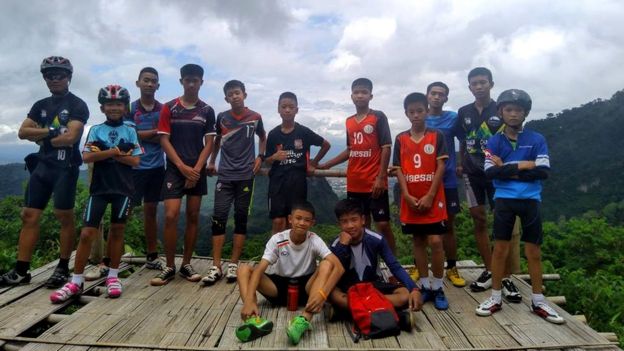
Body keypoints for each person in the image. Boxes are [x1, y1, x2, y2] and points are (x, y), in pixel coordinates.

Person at [475, 89, 564, 324]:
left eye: (518, 110)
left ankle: (538, 300)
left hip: (531, 200)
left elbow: (543, 172)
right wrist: (524, 165)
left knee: (533, 251)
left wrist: (506, 168)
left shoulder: (536, 139)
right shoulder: (493, 141)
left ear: (525, 113)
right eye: (509, 110)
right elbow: (489, 172)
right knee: (500, 249)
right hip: (504, 200)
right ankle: (495, 297)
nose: (513, 114)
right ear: (501, 112)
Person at [0, 56, 89, 289]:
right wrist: (52, 131)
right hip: (42, 167)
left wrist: (40, 134)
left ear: (69, 77)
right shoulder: (40, 105)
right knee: (29, 216)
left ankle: (62, 267)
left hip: (66, 168)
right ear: (45, 79)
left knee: (64, 216)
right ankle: (21, 270)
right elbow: (21, 132)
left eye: (60, 74)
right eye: (49, 75)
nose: (55, 79)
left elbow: (70, 137)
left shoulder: (78, 104)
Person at [49, 85, 142, 302]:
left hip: (123, 188)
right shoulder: (96, 129)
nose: (114, 108)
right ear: (102, 107)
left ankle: (112, 276)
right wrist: (115, 152)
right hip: (99, 189)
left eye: (118, 104)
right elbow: (87, 157)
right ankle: (76, 281)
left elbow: (136, 161)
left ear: (125, 106)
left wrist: (105, 153)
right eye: (109, 104)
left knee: (117, 232)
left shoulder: (130, 130)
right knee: (86, 234)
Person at [84, 67, 165, 281]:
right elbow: (130, 135)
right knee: (122, 218)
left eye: (153, 81)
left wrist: (142, 136)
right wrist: (151, 134)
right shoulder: (129, 108)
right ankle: (106, 263)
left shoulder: (163, 109)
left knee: (151, 211)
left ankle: (152, 256)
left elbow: (164, 135)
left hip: (156, 166)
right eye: (145, 80)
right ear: (138, 83)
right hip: (131, 170)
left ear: (158, 85)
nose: (149, 84)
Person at [235, 201, 343, 345]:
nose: (302, 223)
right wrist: (248, 300)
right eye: (298, 218)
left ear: (312, 223)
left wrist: (322, 295)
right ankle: (253, 320)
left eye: (307, 220)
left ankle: (303, 321)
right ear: (290, 219)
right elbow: (259, 269)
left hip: (307, 289)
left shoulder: (314, 240)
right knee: (243, 269)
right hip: (278, 287)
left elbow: (338, 267)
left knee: (326, 263)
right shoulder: (278, 239)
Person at [150, 64, 216, 286]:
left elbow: (209, 143)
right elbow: (164, 139)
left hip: (196, 168)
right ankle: (169, 266)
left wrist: (196, 169)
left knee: (193, 216)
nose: (191, 84)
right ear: (181, 82)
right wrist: (181, 167)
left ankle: (186, 264)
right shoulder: (170, 108)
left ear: (201, 83)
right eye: (187, 80)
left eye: (195, 80)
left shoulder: (207, 110)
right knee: (170, 215)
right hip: (175, 169)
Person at [318, 78, 396, 254]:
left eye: (364, 92)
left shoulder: (378, 117)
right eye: (357, 92)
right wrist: (327, 165)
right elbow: (350, 150)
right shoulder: (349, 121)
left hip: (374, 181)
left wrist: (381, 176)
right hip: (355, 182)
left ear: (371, 95)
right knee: (362, 225)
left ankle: (393, 264)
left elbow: (386, 147)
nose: (360, 95)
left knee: (383, 224)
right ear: (351, 96)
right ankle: (366, 263)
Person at [203, 80, 266, 285]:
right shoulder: (222, 117)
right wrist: (213, 161)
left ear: (244, 95)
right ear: (226, 98)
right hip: (225, 175)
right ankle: (216, 265)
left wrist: (260, 157)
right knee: (218, 218)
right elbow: (217, 140)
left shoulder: (255, 117)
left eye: (238, 93)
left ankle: (233, 264)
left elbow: (262, 137)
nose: (235, 96)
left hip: (246, 175)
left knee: (240, 219)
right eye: (231, 94)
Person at [393, 92, 449, 310]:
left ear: (426, 111)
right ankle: (425, 286)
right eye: (411, 112)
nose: (416, 115)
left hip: (433, 198)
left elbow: (441, 166)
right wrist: (406, 195)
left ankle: (438, 286)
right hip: (411, 198)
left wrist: (430, 195)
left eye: (419, 111)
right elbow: (398, 169)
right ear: (406, 114)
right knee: (418, 241)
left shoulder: (437, 136)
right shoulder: (401, 139)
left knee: (436, 241)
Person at [328, 199, 422, 316]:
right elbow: (332, 270)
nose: (350, 225)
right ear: (339, 224)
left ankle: (349, 310)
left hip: (372, 285)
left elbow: (394, 266)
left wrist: (413, 288)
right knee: (333, 294)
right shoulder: (335, 244)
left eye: (354, 220)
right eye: (344, 222)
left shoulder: (376, 239)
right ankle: (377, 308)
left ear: (362, 220)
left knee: (403, 295)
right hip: (348, 287)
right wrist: (342, 246)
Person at [456, 67, 500, 292]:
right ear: (469, 87)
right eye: (475, 83)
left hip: (497, 174)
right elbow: (462, 139)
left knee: (503, 220)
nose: (479, 86)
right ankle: (490, 267)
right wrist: (460, 162)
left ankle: (503, 271)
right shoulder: (464, 111)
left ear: (491, 84)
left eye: (483, 82)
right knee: (479, 218)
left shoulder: (501, 109)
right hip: (472, 173)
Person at [265, 92, 331, 234]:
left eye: (291, 107)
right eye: (284, 107)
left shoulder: (303, 132)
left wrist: (314, 162)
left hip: (297, 182)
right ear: (278, 109)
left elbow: (325, 145)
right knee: (278, 221)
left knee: (293, 221)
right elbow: (267, 160)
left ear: (297, 110)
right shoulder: (273, 134)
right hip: (277, 183)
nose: (287, 110)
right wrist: (274, 157)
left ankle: (291, 255)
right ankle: (275, 254)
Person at [423, 82, 466, 287]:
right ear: (427, 95)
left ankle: (452, 267)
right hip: (423, 178)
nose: (437, 97)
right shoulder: (421, 116)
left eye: (441, 94)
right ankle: (418, 265)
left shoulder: (453, 119)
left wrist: (460, 162)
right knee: (420, 226)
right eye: (433, 93)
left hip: (447, 179)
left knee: (449, 225)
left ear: (446, 98)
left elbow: (464, 139)